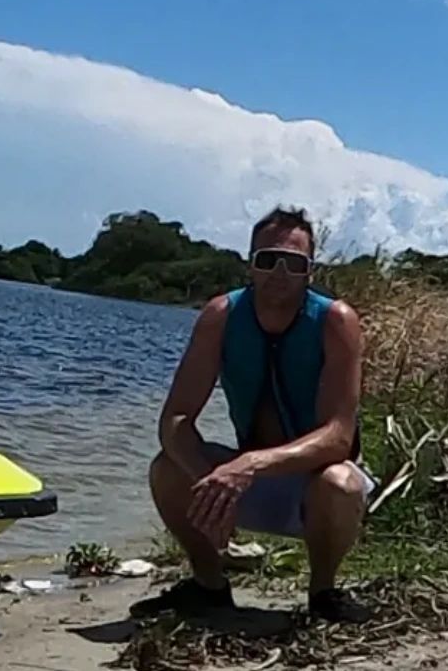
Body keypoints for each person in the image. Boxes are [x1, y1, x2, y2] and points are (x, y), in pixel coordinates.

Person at [144, 206, 372, 623]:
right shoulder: (222, 316)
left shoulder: (335, 321)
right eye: (268, 259)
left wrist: (249, 464)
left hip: (314, 489)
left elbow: (339, 437)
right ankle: (209, 585)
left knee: (340, 483)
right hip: (246, 486)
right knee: (166, 468)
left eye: (293, 263)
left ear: (310, 270)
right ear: (250, 264)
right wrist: (208, 481)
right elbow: (175, 419)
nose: (280, 272)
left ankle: (323, 593)